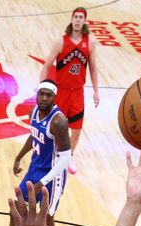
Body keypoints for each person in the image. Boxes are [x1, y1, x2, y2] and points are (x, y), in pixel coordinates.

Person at [0, 80, 71, 226]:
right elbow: (34, 135)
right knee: (16, 209)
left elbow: (66, 159)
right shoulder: (33, 111)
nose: (44, 98)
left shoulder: (59, 121)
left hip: (53, 174)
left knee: (47, 215)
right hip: (35, 169)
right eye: (41, 94)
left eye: (48, 95)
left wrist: (42, 182)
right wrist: (19, 157)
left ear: (54, 97)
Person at [39, 7, 99, 176]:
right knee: (55, 128)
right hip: (61, 92)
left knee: (77, 130)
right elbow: (47, 64)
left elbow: (93, 69)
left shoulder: (90, 43)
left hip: (77, 93)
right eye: (76, 17)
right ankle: (49, 156)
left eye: (81, 17)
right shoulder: (60, 42)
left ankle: (67, 158)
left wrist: (95, 91)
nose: (78, 20)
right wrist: (42, 87)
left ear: (85, 21)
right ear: (71, 19)